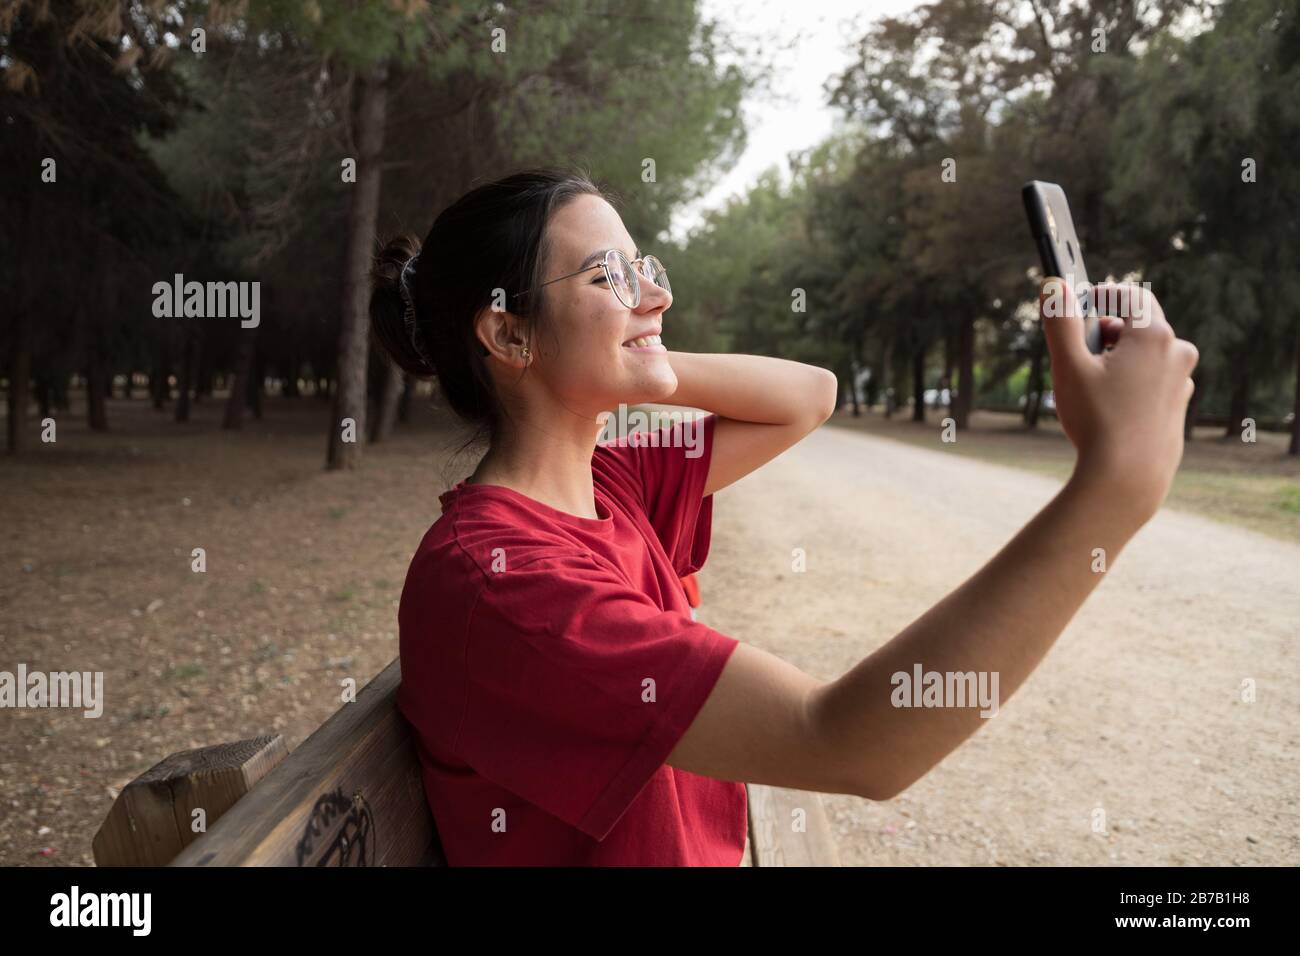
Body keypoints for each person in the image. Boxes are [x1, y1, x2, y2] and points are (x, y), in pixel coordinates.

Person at [371, 168, 1198, 866]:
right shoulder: (502, 583)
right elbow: (847, 743)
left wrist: (623, 352)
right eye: (608, 276)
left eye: (643, 266)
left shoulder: (610, 483)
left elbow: (809, 397)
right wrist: (1116, 487)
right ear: (508, 332)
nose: (658, 291)